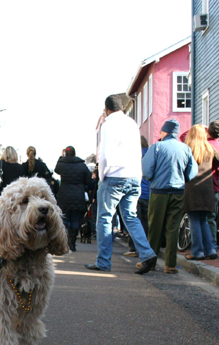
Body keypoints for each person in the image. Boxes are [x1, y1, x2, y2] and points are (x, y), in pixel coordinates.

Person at [85, 95, 158, 274]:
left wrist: (102, 175)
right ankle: (147, 253)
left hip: (114, 176)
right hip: (134, 176)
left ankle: (103, 262)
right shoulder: (132, 123)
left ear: (107, 109)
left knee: (104, 218)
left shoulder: (108, 124)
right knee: (131, 216)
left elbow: (105, 154)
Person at [142, 119, 198, 274]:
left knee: (155, 227)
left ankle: (150, 262)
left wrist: (154, 178)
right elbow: (192, 172)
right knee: (172, 229)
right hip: (178, 192)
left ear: (164, 132)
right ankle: (170, 264)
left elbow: (146, 171)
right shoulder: (185, 148)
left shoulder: (157, 147)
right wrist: (182, 179)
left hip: (159, 192)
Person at [183, 124, 219, 261]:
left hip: (192, 188)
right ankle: (211, 249)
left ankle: (197, 252)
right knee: (204, 220)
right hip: (207, 188)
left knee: (194, 220)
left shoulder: (187, 150)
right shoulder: (209, 148)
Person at [55, 146, 92, 251]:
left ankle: (65, 242)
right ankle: (73, 243)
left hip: (64, 195)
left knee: (65, 219)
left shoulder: (62, 164)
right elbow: (88, 180)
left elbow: (56, 170)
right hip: (78, 194)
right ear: (75, 154)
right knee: (75, 219)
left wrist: (61, 158)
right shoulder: (82, 165)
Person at [124, 137, 150, 257]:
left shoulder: (132, 156)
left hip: (136, 192)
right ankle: (146, 247)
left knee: (134, 221)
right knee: (146, 222)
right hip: (149, 193)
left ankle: (134, 248)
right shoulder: (151, 154)